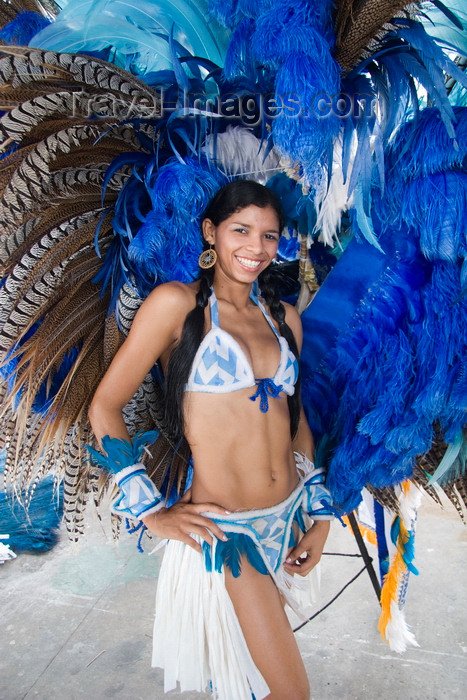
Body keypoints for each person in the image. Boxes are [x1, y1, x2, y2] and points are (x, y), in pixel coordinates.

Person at [88, 180, 334, 700]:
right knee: (291, 693)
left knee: (251, 681)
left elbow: (296, 419)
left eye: (269, 236)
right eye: (240, 230)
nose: (255, 247)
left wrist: (321, 514)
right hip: (228, 535)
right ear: (210, 232)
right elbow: (105, 407)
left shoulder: (284, 318)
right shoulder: (175, 307)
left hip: (288, 520)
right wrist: (151, 511)